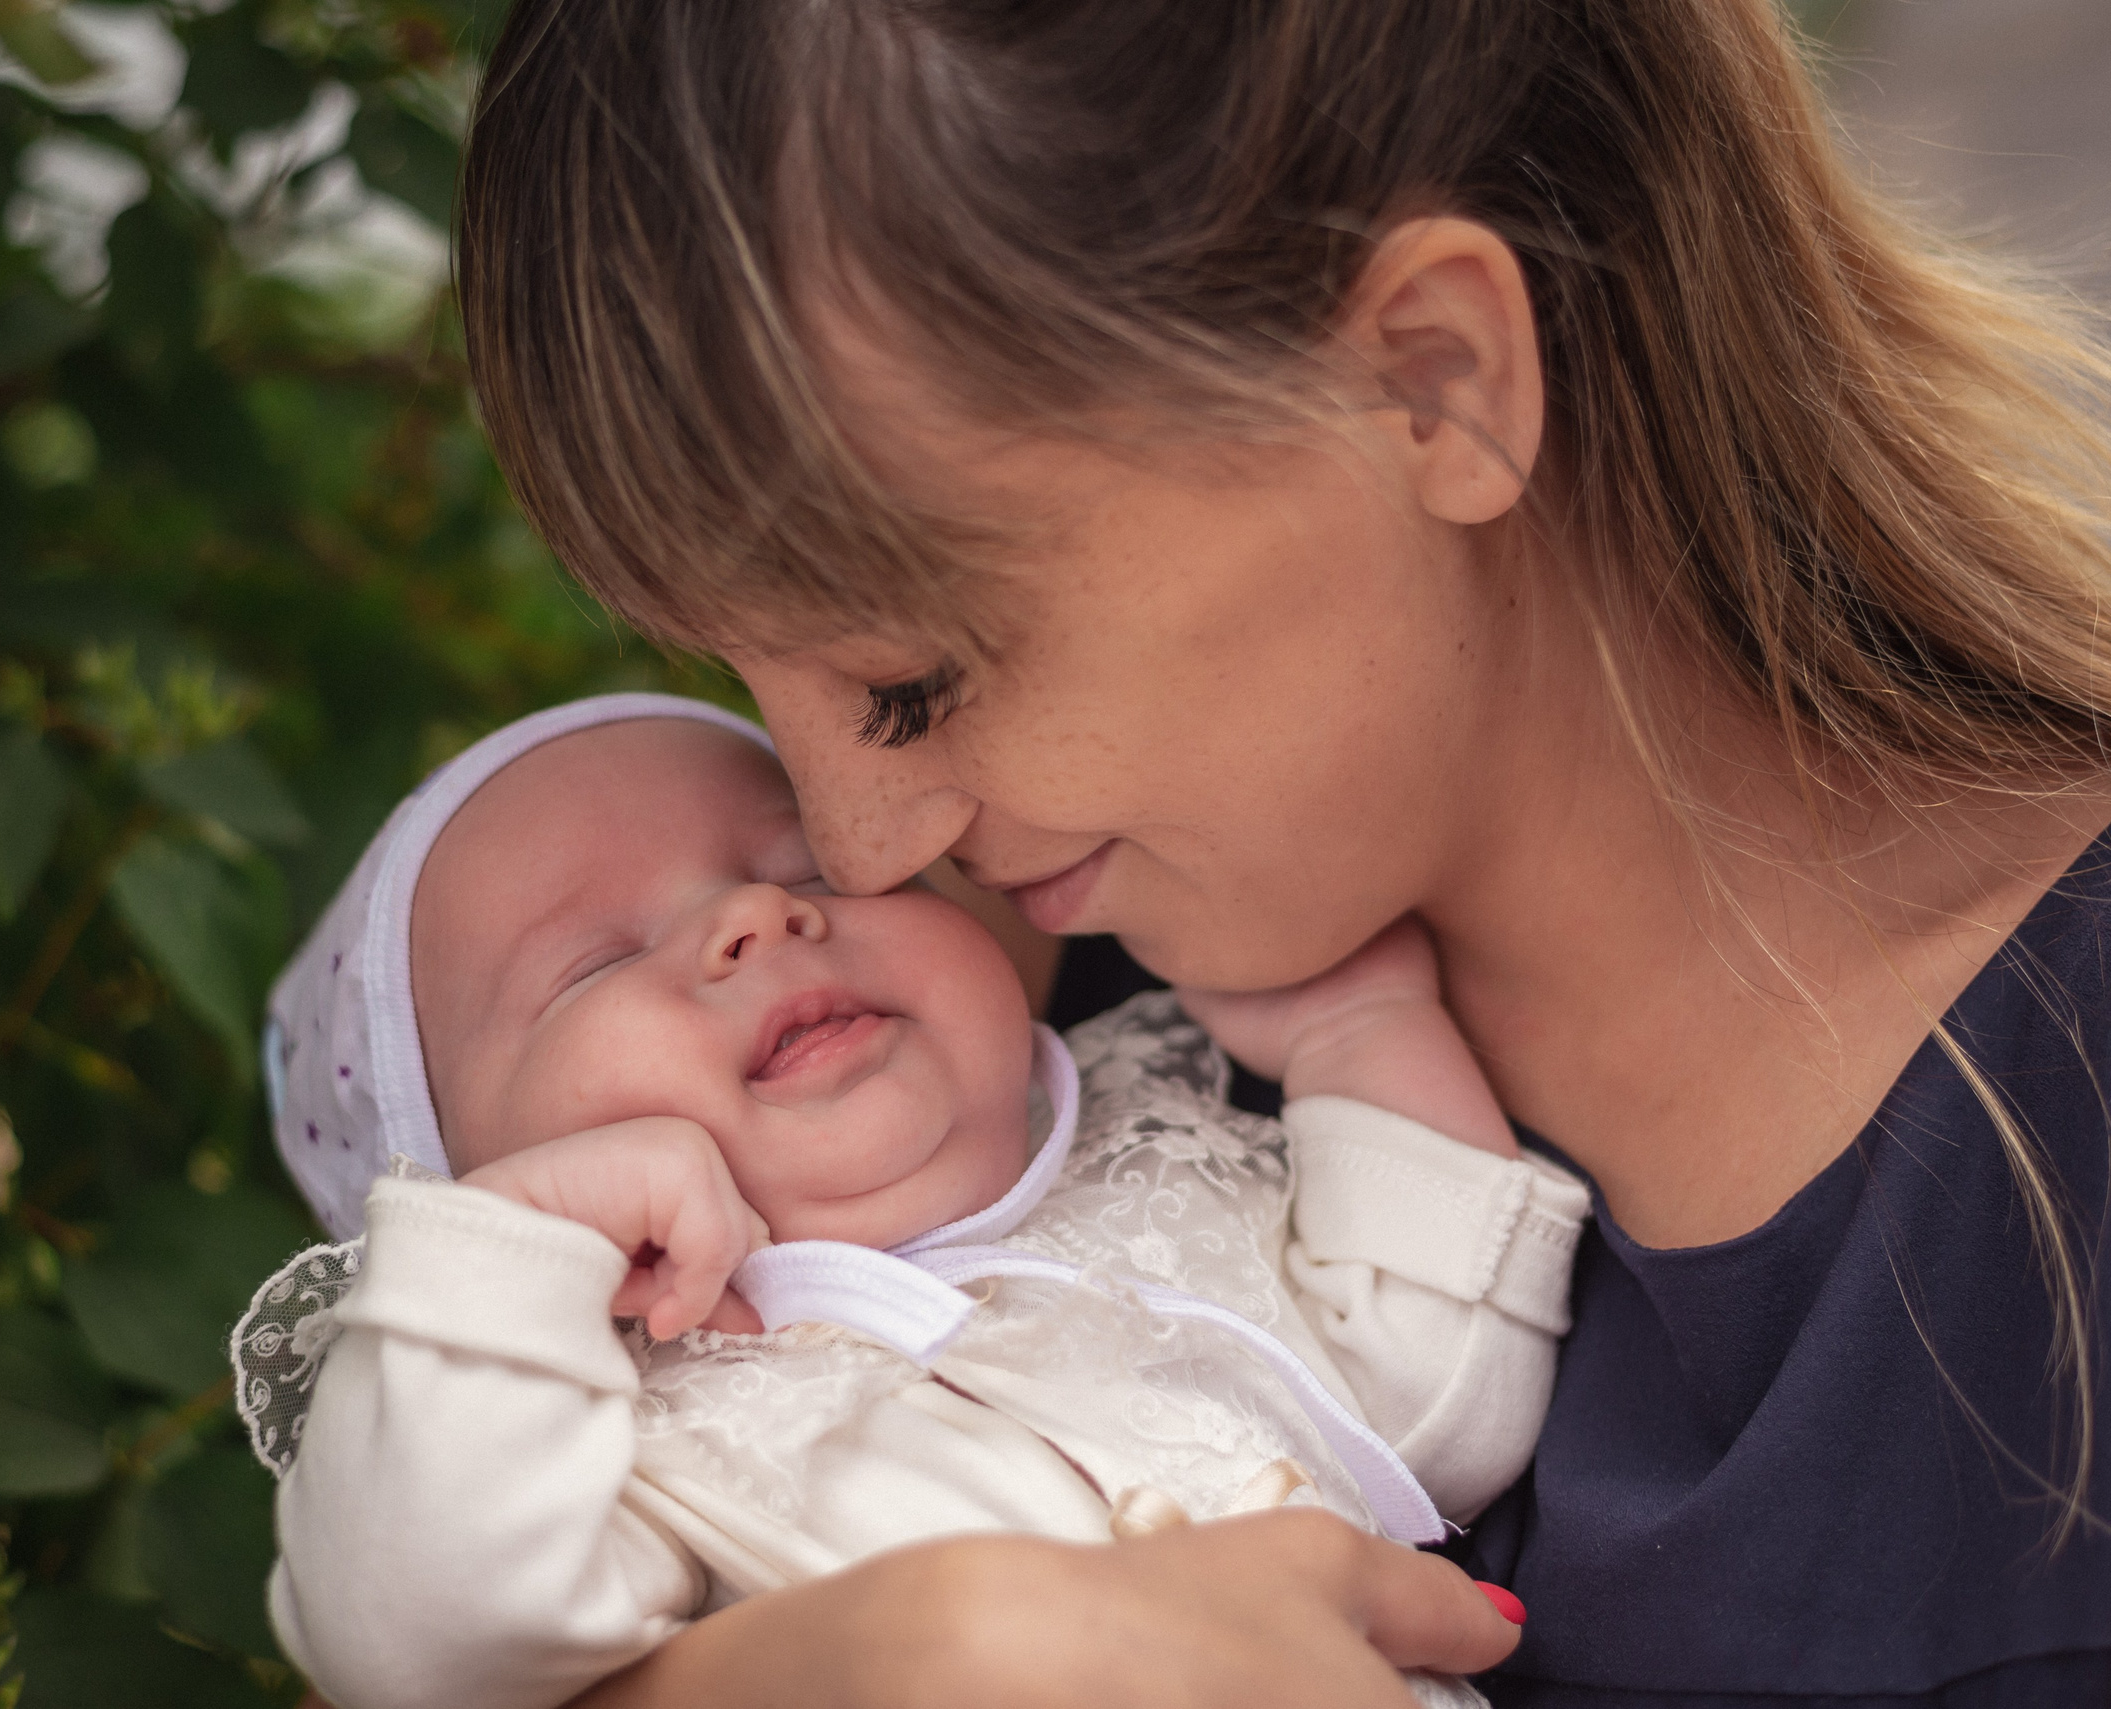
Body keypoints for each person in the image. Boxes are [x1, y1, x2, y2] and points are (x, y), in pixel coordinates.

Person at [441, 0, 2111, 1703]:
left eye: (911, 675)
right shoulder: (1001, 1075)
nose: (858, 850)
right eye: (739, 678)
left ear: (1430, 382)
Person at [238, 694, 1578, 1709]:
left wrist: (1362, 1036)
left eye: (811, 868)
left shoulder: (1161, 1174)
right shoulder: (636, 1443)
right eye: (593, 965)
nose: (758, 915)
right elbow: (417, 1641)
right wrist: (515, 1263)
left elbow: (1437, 1410)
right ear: (461, 1188)